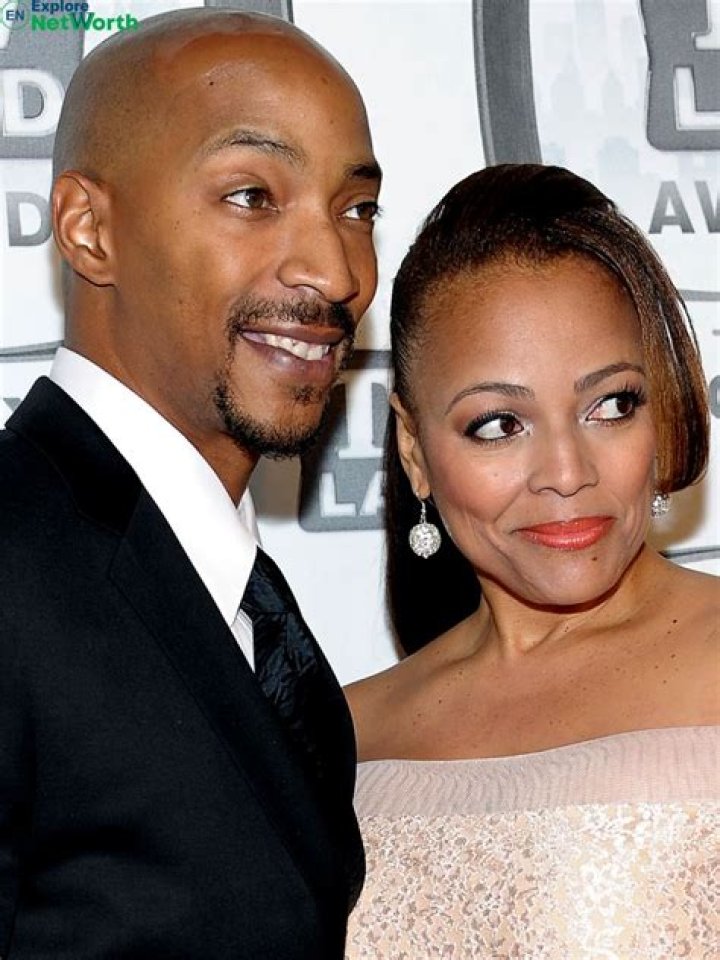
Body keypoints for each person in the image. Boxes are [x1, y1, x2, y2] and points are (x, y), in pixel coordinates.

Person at [0, 9, 381, 957]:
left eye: (357, 209)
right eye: (253, 195)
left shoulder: (246, 600)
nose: (335, 270)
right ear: (90, 230)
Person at [345, 164, 718, 958]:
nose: (567, 472)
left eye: (611, 405)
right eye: (498, 425)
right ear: (413, 449)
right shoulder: (344, 736)